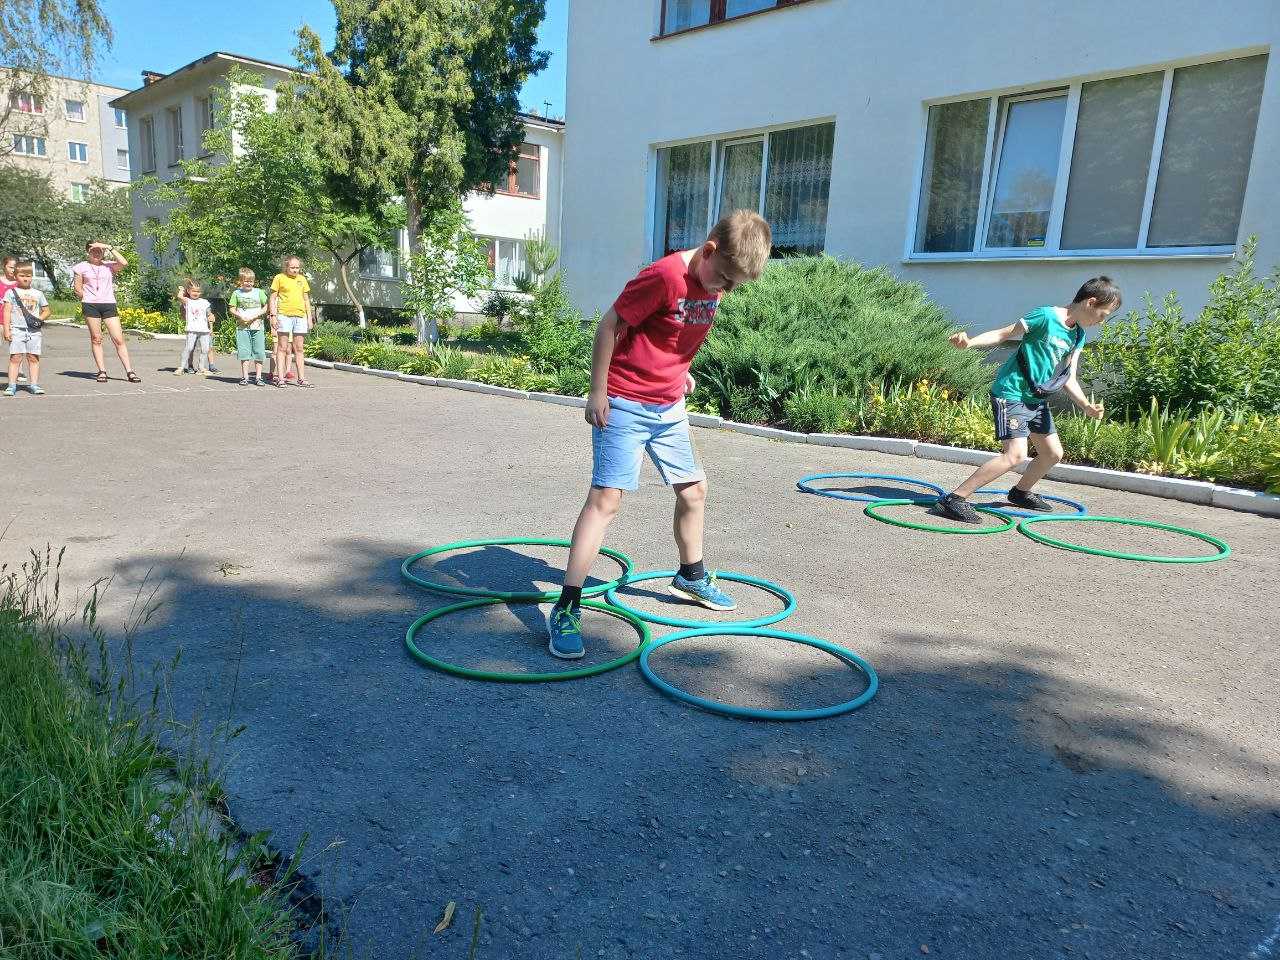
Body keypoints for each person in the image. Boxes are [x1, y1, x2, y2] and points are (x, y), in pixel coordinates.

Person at [545, 210, 773, 660]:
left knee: (694, 490)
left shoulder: (713, 279)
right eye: (725, 279)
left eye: (734, 285)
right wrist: (597, 391)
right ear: (709, 250)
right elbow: (609, 325)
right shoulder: (665, 276)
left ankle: (691, 575)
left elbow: (675, 335)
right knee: (606, 500)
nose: (726, 290)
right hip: (625, 401)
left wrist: (679, 371)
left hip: (668, 406)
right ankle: (566, 607)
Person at [933, 277, 1122, 523]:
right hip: (1011, 393)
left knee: (1052, 453)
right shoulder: (1045, 317)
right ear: (1091, 302)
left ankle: (1020, 492)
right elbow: (1004, 333)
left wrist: (1086, 405)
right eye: (1103, 315)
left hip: (1035, 400)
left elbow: (1068, 376)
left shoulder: (1078, 336)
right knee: (1015, 455)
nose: (1102, 322)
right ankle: (954, 499)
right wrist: (970, 343)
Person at [73, 241, 140, 383]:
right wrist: (87, 298)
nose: (97, 253)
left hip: (109, 304)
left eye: (99, 251)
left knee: (118, 339)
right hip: (91, 305)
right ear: (88, 252)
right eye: (93, 250)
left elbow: (124, 263)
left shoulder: (108, 266)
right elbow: (77, 288)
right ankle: (102, 371)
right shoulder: (81, 267)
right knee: (96, 338)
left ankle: (130, 371)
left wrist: (109, 247)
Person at [2, 261, 50, 396]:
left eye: (28, 276)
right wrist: (7, 329)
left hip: (34, 332)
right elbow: (6, 311)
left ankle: (34, 384)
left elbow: (47, 310)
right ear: (15, 276)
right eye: (22, 276)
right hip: (17, 330)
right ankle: (12, 385)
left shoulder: (38, 293)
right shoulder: (11, 293)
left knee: (33, 357)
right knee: (15, 357)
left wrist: (38, 319)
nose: (25, 278)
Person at [269, 255, 313, 387]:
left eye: (297, 267)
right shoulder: (279, 278)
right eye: (292, 267)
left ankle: (301, 378)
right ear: (286, 267)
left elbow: (306, 300)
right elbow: (272, 298)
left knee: (299, 348)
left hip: (300, 316)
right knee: (282, 347)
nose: (295, 270)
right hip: (284, 315)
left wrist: (309, 318)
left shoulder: (302, 279)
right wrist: (273, 316)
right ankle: (280, 378)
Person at [229, 268, 269, 385]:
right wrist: (240, 316)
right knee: (244, 352)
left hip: (257, 326)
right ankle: (245, 377)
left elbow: (266, 306)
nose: (249, 283)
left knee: (259, 352)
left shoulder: (259, 292)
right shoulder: (236, 293)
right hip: (242, 327)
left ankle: (258, 377)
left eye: (251, 281)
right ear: (241, 281)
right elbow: (232, 308)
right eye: (246, 281)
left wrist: (256, 315)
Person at [174, 279, 215, 376]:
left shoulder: (205, 302)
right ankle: (181, 367)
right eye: (193, 291)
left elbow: (209, 313)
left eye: (198, 291)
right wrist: (182, 290)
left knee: (205, 349)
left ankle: (201, 368)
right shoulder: (187, 301)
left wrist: (211, 318)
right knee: (189, 348)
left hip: (204, 330)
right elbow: (179, 296)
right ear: (189, 291)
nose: (196, 293)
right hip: (192, 329)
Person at [1, 255, 28, 383]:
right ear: (4, 267)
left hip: (15, 321)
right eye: (10, 267)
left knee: (17, 348)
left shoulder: (19, 284)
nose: (13, 270)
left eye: (15, 267)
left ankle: (19, 371)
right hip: (0, 320)